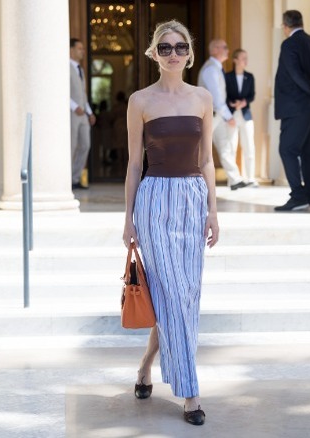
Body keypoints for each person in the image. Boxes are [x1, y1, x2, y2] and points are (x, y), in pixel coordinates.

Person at [122, 19, 219, 426]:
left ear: (189, 53)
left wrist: (213, 209)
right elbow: (132, 164)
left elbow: (207, 159)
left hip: (192, 199)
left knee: (182, 297)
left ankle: (146, 365)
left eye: (180, 47)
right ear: (155, 54)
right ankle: (190, 392)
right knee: (175, 294)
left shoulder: (202, 97)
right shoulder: (140, 101)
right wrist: (127, 219)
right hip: (155, 199)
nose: (173, 53)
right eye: (165, 47)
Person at [273, 10, 310, 211]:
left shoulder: (289, 43)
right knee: (308, 152)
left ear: (286, 26)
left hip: (296, 107)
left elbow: (295, 73)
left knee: (287, 149)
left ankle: (298, 195)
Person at [197, 38, 247, 190]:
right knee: (200, 148)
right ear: (214, 50)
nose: (227, 50)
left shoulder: (217, 68)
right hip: (210, 115)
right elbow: (216, 97)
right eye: (224, 47)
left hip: (216, 115)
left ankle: (235, 179)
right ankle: (193, 178)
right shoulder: (211, 69)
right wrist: (229, 116)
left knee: (224, 144)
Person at [224, 49, 258, 186]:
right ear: (235, 60)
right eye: (243, 58)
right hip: (231, 115)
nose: (246, 61)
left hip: (246, 115)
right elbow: (223, 95)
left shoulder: (249, 77)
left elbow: (252, 95)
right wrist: (232, 104)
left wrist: (244, 102)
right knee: (231, 145)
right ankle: (233, 179)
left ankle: (250, 178)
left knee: (249, 145)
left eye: (246, 58)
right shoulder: (227, 77)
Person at [70, 38, 96, 190]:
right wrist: (74, 107)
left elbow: (83, 94)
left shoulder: (81, 69)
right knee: (72, 145)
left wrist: (89, 112)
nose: (82, 51)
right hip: (72, 114)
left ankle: (75, 178)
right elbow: (61, 91)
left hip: (83, 114)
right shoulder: (64, 67)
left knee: (85, 144)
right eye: (79, 48)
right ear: (71, 50)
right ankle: (67, 180)